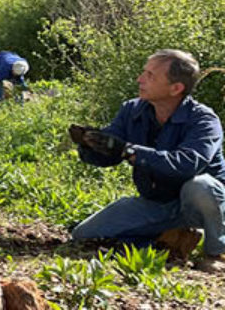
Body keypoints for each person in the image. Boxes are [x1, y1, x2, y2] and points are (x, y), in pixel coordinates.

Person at [70, 49, 225, 272]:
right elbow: (112, 155)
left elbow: (187, 164)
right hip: (157, 202)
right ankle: (170, 238)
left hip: (200, 204)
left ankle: (216, 252)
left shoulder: (204, 120)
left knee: (201, 186)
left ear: (176, 88)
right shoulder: (132, 109)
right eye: (144, 72)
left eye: (150, 75)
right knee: (83, 234)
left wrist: (130, 151)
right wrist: (91, 144)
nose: (140, 79)